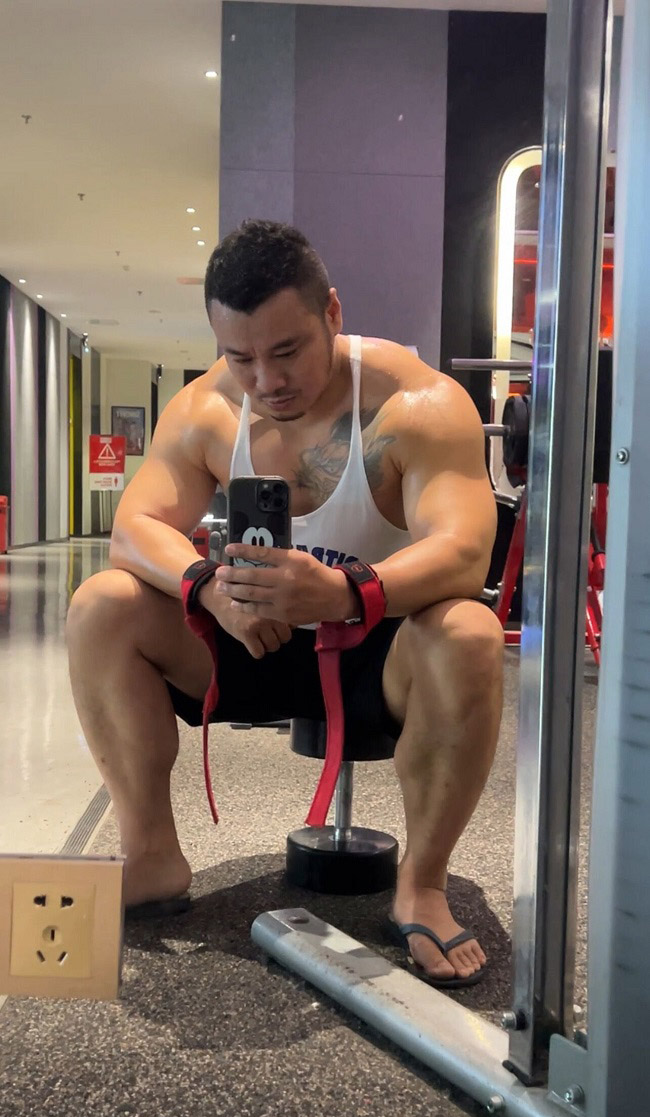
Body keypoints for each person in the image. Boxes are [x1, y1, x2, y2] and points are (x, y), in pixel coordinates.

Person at [66, 220, 503, 989]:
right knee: (103, 603)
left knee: (470, 629)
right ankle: (151, 853)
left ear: (331, 312)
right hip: (249, 635)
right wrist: (208, 588)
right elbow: (133, 529)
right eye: (241, 357)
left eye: (287, 350)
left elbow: (466, 552)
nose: (265, 379)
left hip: (376, 651)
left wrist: (348, 590)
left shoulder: (416, 403)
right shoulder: (207, 408)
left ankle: (423, 883)